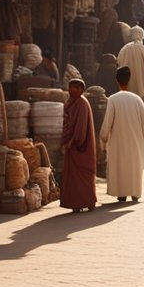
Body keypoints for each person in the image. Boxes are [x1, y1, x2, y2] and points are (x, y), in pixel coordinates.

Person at [100, 67, 144, 203]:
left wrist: (103, 138)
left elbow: (107, 124)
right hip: (136, 143)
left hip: (118, 142)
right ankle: (135, 193)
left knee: (120, 167)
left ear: (117, 80)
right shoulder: (137, 100)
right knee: (134, 167)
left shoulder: (113, 99)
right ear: (129, 80)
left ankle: (121, 194)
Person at [60, 78, 98, 213]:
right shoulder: (70, 103)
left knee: (84, 174)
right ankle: (75, 203)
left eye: (76, 88)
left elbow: (81, 127)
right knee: (72, 176)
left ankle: (89, 201)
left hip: (82, 146)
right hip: (71, 146)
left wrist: (73, 141)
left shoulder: (82, 103)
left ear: (82, 90)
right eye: (71, 87)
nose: (72, 90)